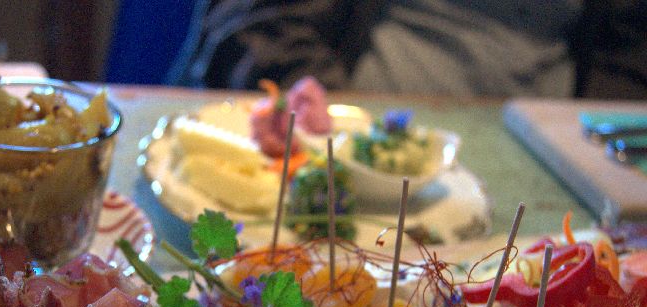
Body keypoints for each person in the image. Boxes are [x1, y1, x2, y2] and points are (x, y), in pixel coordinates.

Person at [177, 0, 647, 99]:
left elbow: (631, 52)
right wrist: (322, 112)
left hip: (555, 145)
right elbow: (260, 20)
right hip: (361, 134)